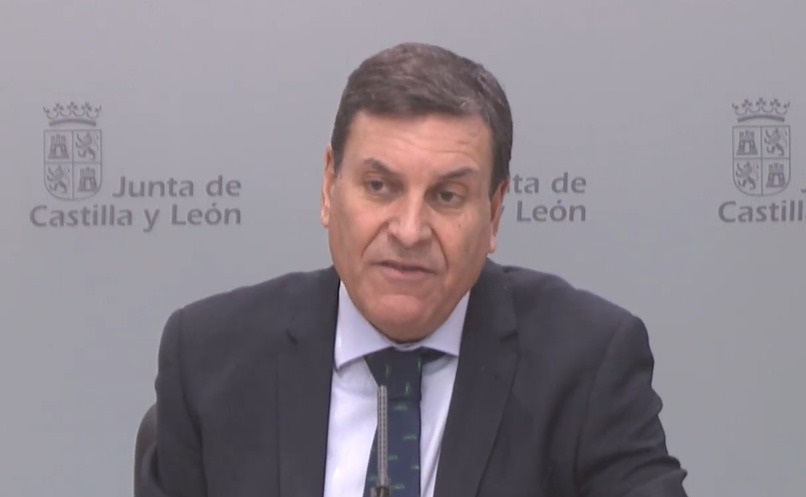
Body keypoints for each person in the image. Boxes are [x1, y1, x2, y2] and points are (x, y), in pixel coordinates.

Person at [139, 42, 688, 497]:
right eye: (380, 187)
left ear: (494, 213)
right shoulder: (209, 359)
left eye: (447, 196)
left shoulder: (586, 364)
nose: (408, 231)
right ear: (330, 188)